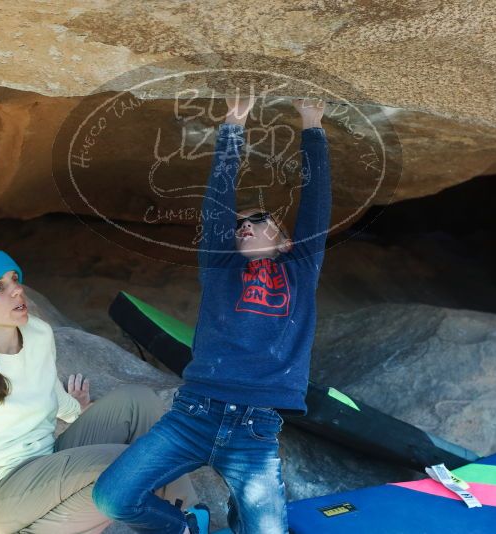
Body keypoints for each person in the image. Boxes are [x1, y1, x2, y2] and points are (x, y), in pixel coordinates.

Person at [92, 93, 332, 534]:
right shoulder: (221, 267)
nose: (244, 226)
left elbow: (316, 203)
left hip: (255, 431)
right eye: (238, 225)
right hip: (193, 416)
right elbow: (217, 205)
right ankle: (186, 527)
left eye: (258, 219)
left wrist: (311, 125)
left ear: (285, 241)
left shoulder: (301, 269)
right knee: (112, 498)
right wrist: (231, 130)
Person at [0, 241, 197, 534]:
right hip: (1, 495)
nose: (16, 289)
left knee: (139, 401)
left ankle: (191, 512)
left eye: (14, 279)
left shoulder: (38, 333)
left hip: (48, 461)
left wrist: (75, 409)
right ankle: (174, 527)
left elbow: (45, 387)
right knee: (125, 463)